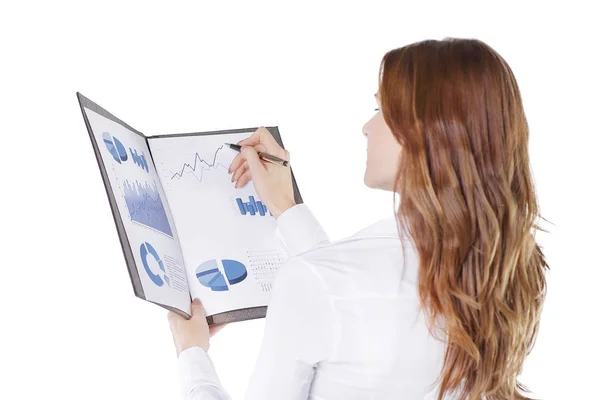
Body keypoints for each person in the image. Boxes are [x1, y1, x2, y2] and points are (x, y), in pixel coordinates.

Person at [167, 37, 549, 400]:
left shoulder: (316, 282)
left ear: (424, 133)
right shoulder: (511, 270)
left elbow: (336, 291)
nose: (367, 128)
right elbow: (357, 302)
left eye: (382, 110)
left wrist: (192, 355)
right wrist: (286, 208)